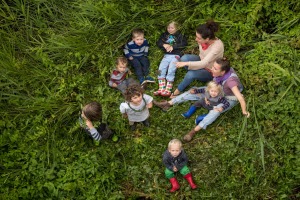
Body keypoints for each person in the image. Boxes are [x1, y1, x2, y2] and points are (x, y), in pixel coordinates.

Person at [154, 58, 250, 142]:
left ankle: (194, 131)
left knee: (215, 112)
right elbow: (211, 86)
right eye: (213, 66)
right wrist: (203, 94)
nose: (212, 69)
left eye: (215, 68)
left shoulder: (230, 81)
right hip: (216, 90)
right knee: (193, 91)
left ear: (223, 72)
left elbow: (240, 97)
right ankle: (169, 103)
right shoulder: (219, 74)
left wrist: (244, 111)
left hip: (227, 98)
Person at [170, 20, 224, 98]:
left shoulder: (217, 46)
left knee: (191, 73)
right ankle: (195, 72)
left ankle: (176, 92)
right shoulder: (202, 40)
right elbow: (202, 58)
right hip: (201, 60)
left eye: (199, 38)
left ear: (207, 39)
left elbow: (204, 63)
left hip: (210, 69)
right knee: (184, 58)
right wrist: (188, 62)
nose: (196, 39)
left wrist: (187, 64)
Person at [154, 21, 188, 97]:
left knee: (171, 69)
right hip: (166, 55)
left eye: (172, 28)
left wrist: (173, 47)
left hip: (176, 55)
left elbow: (184, 44)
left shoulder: (180, 35)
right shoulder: (165, 35)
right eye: (168, 27)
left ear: (177, 28)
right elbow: (158, 42)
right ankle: (161, 88)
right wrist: (164, 44)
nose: (169, 29)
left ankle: (168, 89)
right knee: (160, 69)